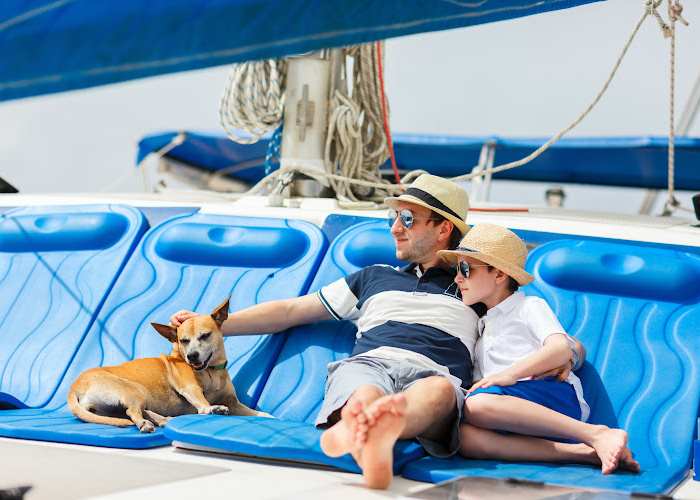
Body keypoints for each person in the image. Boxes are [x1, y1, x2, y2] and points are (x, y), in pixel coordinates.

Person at [170, 174, 479, 489]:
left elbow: (511, 340)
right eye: (393, 217)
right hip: (371, 364)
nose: (395, 228)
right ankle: (375, 427)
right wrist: (212, 324)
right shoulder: (374, 277)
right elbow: (290, 311)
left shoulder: (476, 287)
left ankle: (374, 428)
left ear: (443, 228)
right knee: (363, 391)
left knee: (438, 392)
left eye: (408, 219)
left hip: (435, 372)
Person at [432, 223, 640, 475]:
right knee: (464, 438)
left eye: (466, 269)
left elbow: (560, 347)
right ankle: (584, 453)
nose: (457, 278)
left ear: (499, 275)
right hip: (506, 408)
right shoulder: (483, 323)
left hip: (552, 396)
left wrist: (509, 375)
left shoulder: (528, 306)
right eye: (457, 269)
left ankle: (595, 433)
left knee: (477, 406)